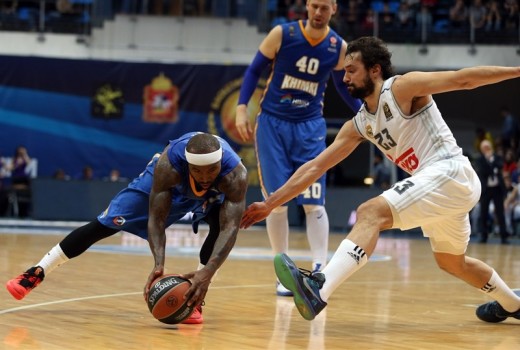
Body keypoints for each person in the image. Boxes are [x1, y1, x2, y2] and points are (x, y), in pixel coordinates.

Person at [240, 36, 520, 323]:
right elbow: (314, 168)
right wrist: (269, 204)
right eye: (344, 71)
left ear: (374, 70)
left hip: (450, 172)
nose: (344, 76)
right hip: (441, 188)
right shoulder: (359, 124)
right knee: (452, 263)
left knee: (370, 212)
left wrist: (516, 71)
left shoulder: (401, 88)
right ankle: (512, 303)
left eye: (351, 70)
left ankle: (319, 290)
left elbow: (464, 80)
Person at [6, 132, 248, 325]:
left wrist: (207, 273)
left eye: (211, 170)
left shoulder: (234, 174)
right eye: (198, 171)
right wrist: (158, 264)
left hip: (211, 196)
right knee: (104, 224)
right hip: (161, 183)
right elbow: (157, 218)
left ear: (219, 164)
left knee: (219, 225)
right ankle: (36, 272)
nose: (205, 177)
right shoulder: (169, 165)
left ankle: (194, 298)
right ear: (188, 165)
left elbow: (231, 228)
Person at [235, 0, 361, 297]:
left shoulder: (337, 46)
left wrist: (363, 112)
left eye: (324, 7)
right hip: (273, 124)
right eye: (314, 5)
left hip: (310, 126)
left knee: (313, 201)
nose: (318, 12)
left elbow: (343, 86)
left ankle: (320, 270)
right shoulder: (283, 34)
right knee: (276, 202)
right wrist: (242, 109)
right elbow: (254, 71)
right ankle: (284, 272)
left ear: (334, 9)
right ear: (306, 6)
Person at [475, 140, 509, 244]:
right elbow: (483, 171)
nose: (486, 150)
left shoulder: (497, 157)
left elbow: (500, 166)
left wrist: (491, 161)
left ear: (491, 148)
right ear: (481, 149)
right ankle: (484, 235)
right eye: (484, 148)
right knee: (483, 212)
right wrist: (491, 163)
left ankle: (504, 236)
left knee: (500, 212)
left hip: (497, 189)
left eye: (487, 147)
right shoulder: (480, 160)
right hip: (486, 189)